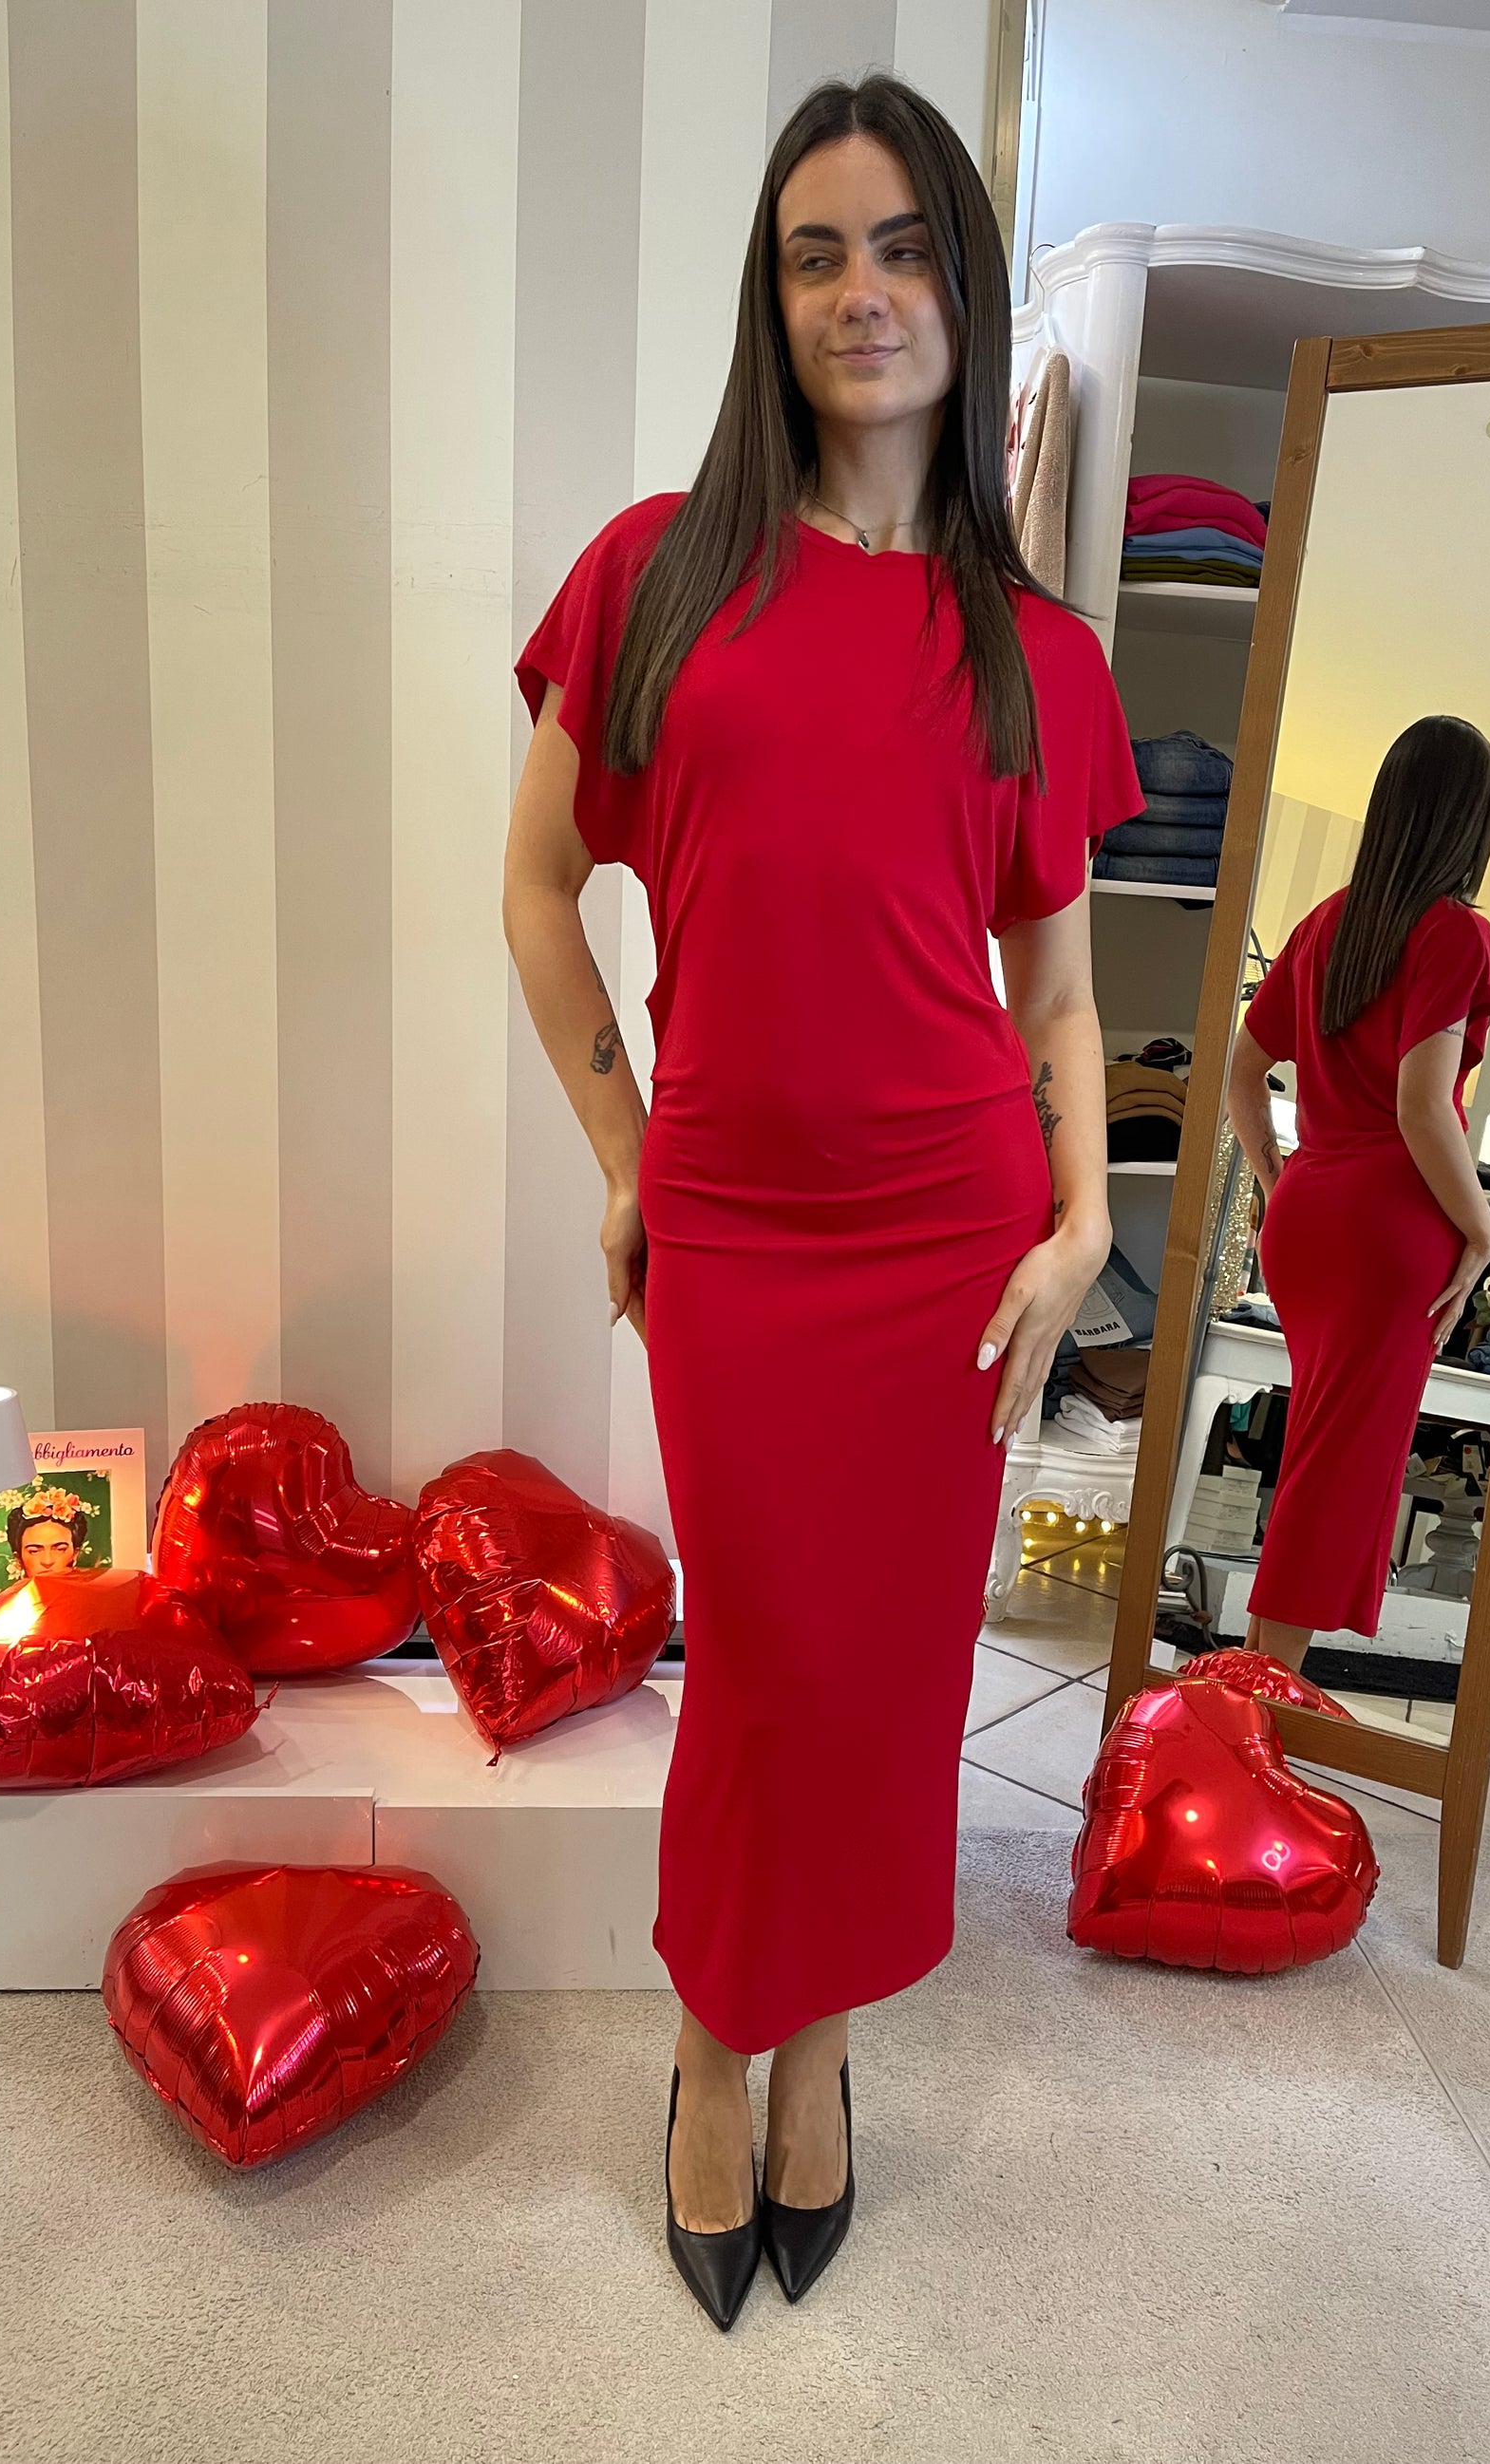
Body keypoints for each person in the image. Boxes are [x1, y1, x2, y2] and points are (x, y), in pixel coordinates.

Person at [500, 74, 1141, 2327]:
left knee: (884, 1673)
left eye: (901, 248)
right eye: (814, 253)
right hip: (742, 1237)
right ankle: (712, 2045)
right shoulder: (661, 575)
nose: (862, 292)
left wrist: (1079, 1225)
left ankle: (820, 2057)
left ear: (964, 287)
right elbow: (536, 886)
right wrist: (624, 1148)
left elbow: (1059, 993)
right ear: (769, 302)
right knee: (768, 1664)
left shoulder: (1037, 651)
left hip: (954, 1243)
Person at [1223, 715, 1490, 1672]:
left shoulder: (1324, 922)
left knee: (1316, 1457)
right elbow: (1424, 1108)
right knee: (1334, 1475)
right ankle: (1258, 1703)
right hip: (1386, 1231)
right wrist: (1481, 1233)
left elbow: (1241, 1071)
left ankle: (1255, 1685)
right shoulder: (1455, 933)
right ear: (1471, 825)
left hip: (1308, 1217)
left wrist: (1277, 1178)